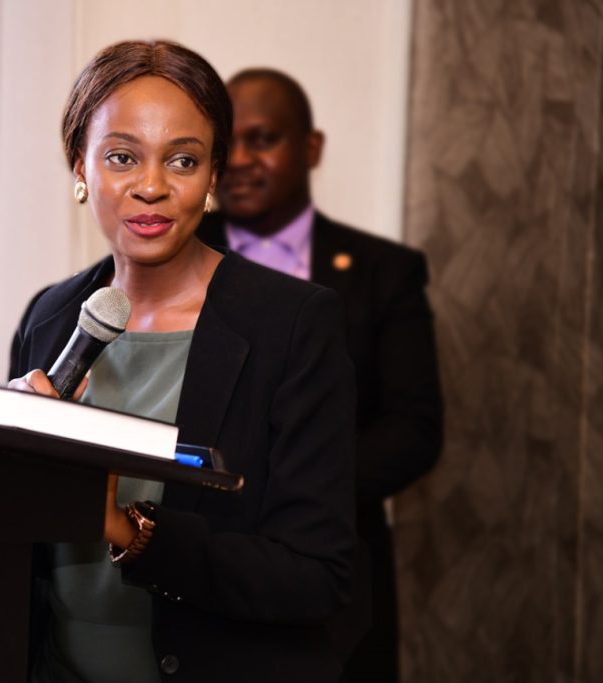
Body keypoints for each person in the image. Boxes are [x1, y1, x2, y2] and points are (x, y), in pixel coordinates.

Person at [8, 41, 357, 682]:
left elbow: (316, 577)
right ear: (78, 169)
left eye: (183, 160)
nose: (151, 186)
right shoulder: (49, 317)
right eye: (121, 157)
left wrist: (126, 528)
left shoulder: (293, 324)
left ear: (214, 175)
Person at [197, 68, 444, 682]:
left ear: (311, 149)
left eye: (265, 139)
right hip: (197, 564)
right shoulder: (170, 253)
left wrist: (299, 487)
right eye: (229, 144)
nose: (242, 162)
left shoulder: (384, 271)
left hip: (336, 573)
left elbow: (414, 428)